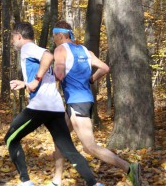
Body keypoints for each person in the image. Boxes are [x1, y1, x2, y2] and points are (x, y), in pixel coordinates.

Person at [5, 22, 103, 186]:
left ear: (19, 36)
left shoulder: (27, 48)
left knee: (10, 139)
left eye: (13, 38)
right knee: (68, 149)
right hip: (55, 107)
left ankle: (26, 182)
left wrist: (34, 81)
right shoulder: (33, 52)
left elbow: (48, 56)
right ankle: (94, 183)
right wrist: (26, 83)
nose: (12, 42)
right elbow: (46, 75)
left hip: (40, 107)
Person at [50, 20, 141, 186]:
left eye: (54, 37)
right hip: (84, 101)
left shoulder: (60, 50)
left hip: (77, 103)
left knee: (89, 146)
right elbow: (105, 68)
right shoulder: (85, 51)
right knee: (59, 138)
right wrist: (91, 78)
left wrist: (43, 77)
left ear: (61, 35)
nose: (53, 40)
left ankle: (129, 168)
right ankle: (57, 180)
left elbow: (59, 74)